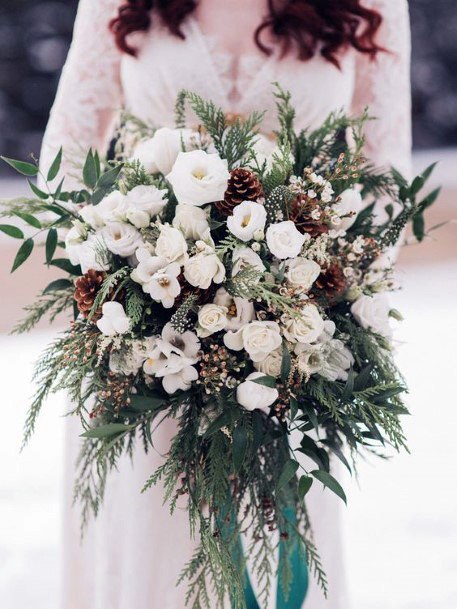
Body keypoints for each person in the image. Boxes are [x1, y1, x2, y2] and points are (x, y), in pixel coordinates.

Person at [39, 1, 412, 607]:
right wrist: (124, 256)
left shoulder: (374, 6)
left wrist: (322, 288)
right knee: (150, 549)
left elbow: (386, 180)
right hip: (143, 345)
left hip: (290, 351)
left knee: (277, 552)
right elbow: (68, 157)